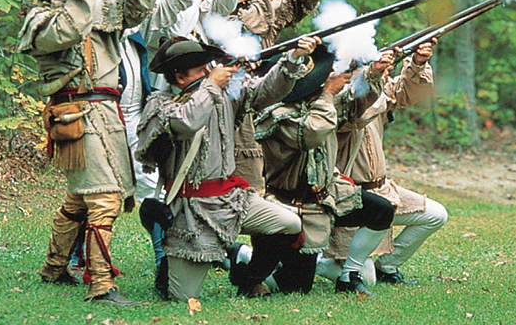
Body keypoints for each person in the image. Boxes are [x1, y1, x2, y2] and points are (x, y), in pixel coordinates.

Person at [17, 0, 158, 306]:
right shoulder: (42, 19)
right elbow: (68, 29)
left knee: (80, 199)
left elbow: (139, 6)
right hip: (77, 113)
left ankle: (54, 267)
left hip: (104, 113)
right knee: (104, 199)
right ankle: (101, 285)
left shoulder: (90, 5)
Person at [134, 36, 316, 302]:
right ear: (180, 77)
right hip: (190, 209)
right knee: (182, 298)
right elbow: (188, 122)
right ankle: (167, 271)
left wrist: (292, 58)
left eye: (208, 68)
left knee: (288, 223)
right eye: (201, 70)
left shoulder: (222, 92)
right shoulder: (161, 104)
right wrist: (211, 85)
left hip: (229, 199)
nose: (209, 72)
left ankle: (249, 277)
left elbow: (268, 91)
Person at [117, 0, 245, 296]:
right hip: (167, 101)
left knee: (175, 184)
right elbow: (171, 6)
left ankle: (211, 247)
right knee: (155, 188)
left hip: (197, 97)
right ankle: (165, 257)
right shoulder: (157, 5)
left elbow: (216, 8)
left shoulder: (192, 2)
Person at [253, 46, 396, 297]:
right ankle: (241, 259)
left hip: (328, 195)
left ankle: (349, 275)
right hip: (294, 206)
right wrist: (328, 93)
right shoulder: (278, 114)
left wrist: (373, 73)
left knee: (381, 211)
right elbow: (312, 133)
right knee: (296, 287)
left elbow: (355, 105)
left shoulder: (318, 102)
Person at [320, 40, 447, 286]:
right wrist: (374, 75)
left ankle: (387, 265)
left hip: (382, 190)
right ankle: (311, 265)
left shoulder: (378, 89)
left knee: (435, 215)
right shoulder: (337, 99)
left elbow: (410, 94)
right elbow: (356, 114)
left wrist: (418, 63)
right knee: (365, 280)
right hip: (350, 196)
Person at [230, 0, 327, 194]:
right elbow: (250, 22)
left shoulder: (261, 6)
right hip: (233, 89)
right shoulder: (227, 12)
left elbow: (297, 6)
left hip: (263, 88)